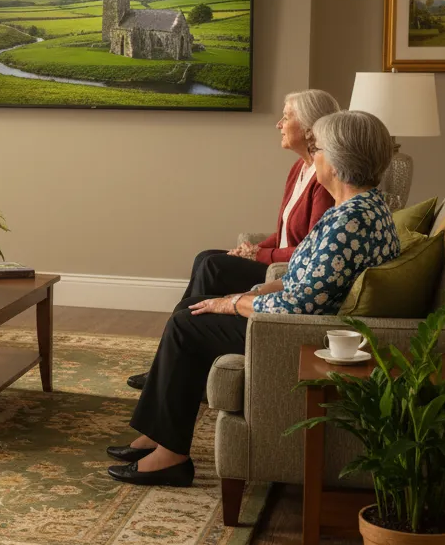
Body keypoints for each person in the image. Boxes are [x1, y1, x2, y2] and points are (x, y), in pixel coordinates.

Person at [108, 110, 399, 487]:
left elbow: (301, 304)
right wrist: (251, 291)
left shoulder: (348, 221)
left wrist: (232, 304)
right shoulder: (362, 209)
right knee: (192, 308)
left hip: (300, 334)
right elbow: (307, 279)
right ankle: (158, 433)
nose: (316, 157)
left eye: (320, 149)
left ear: (339, 160)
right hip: (300, 319)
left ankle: (171, 457)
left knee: (187, 323)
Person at [126, 89, 340, 391]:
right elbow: (283, 233)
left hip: (286, 273)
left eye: (286, 116)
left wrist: (259, 256)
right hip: (276, 260)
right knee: (205, 258)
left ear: (308, 128)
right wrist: (255, 248)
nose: (279, 123)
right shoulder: (299, 168)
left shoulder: (323, 180)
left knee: (213, 266)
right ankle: (171, 365)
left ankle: (180, 370)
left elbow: (308, 250)